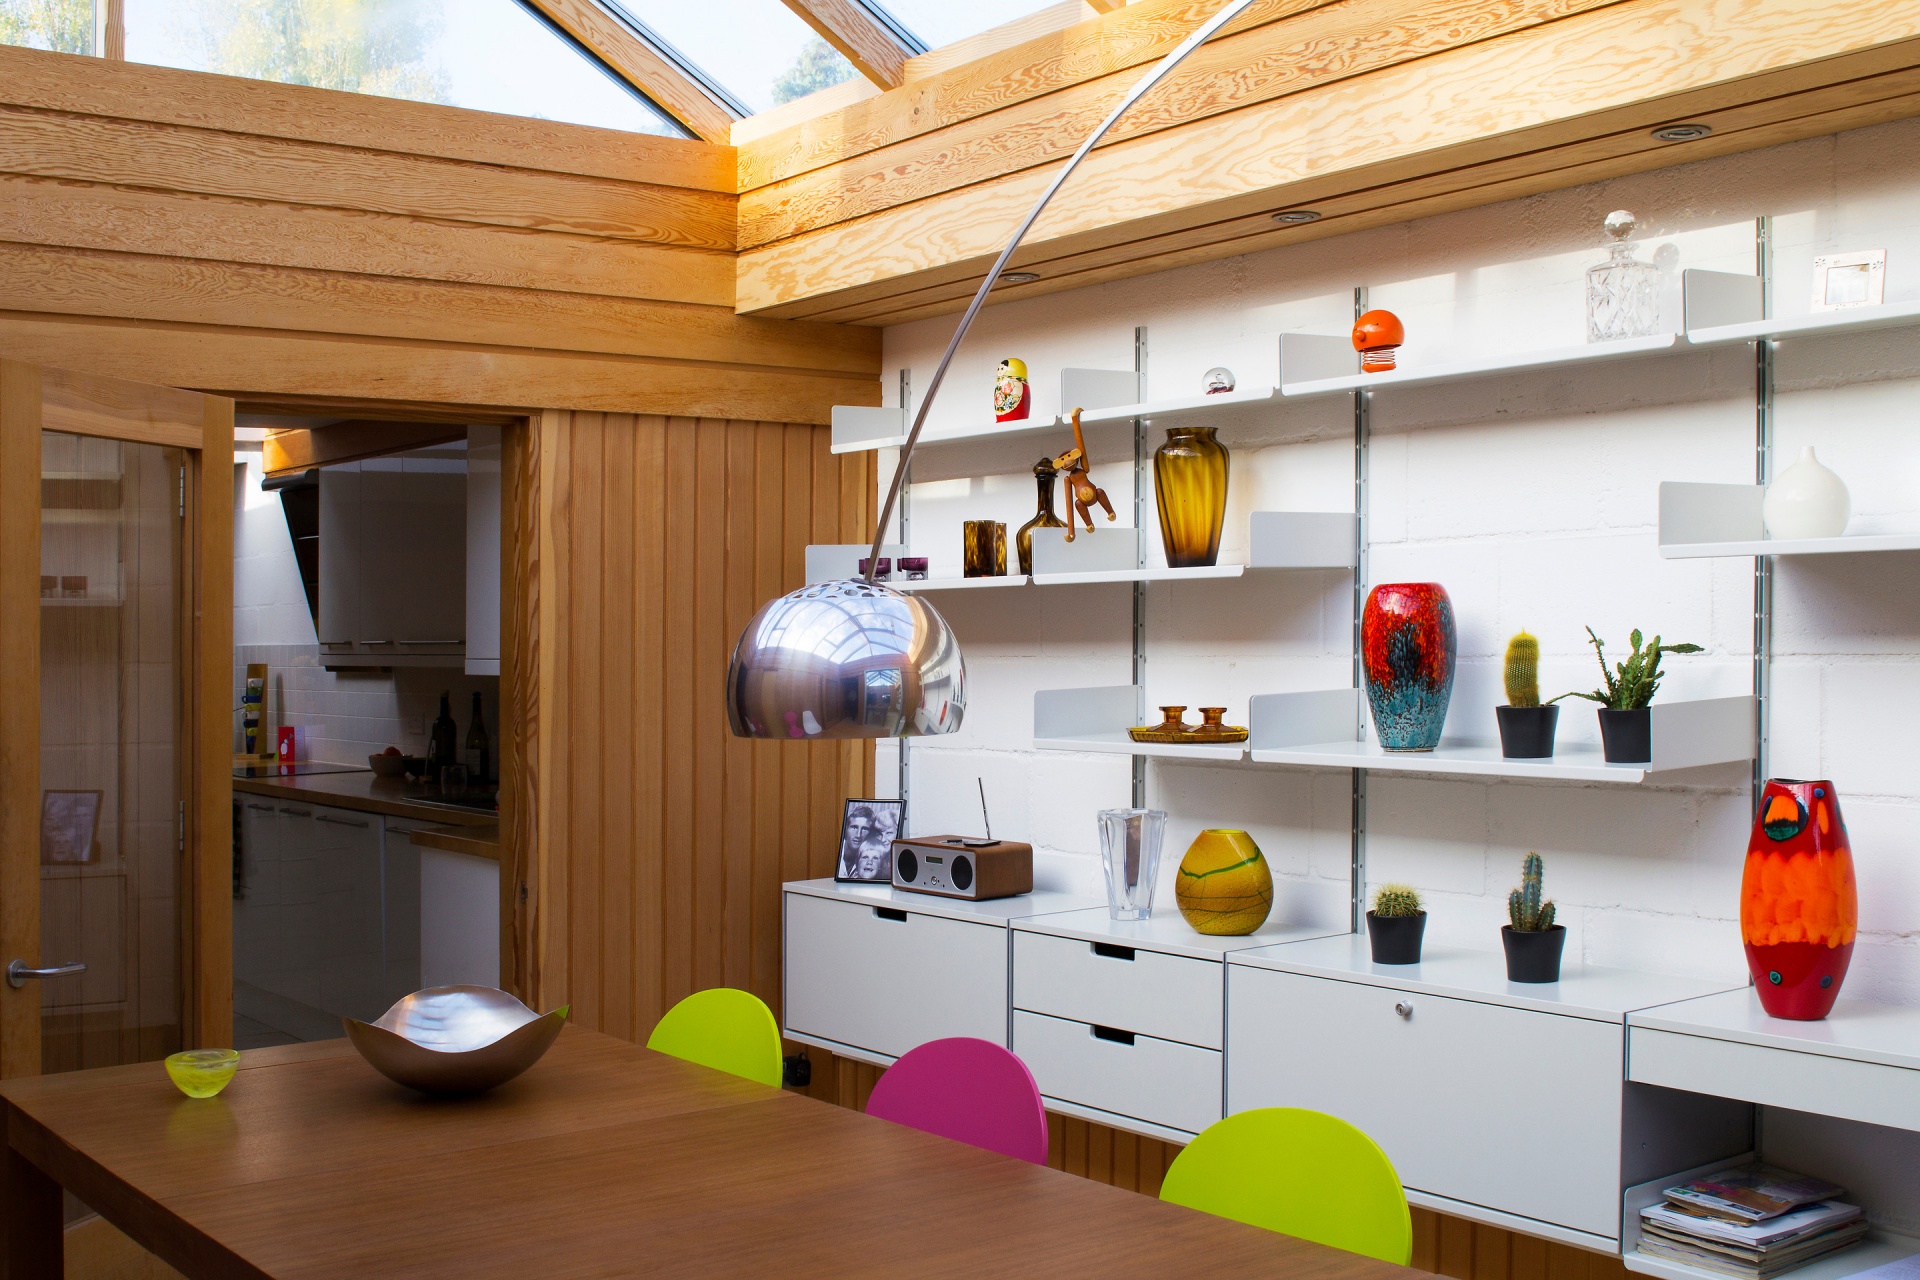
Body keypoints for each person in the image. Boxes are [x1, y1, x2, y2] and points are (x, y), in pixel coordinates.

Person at [839, 806, 875, 879]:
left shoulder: (869, 862)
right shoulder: (832, 851)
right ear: (846, 829)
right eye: (854, 827)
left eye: (865, 829)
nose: (858, 835)